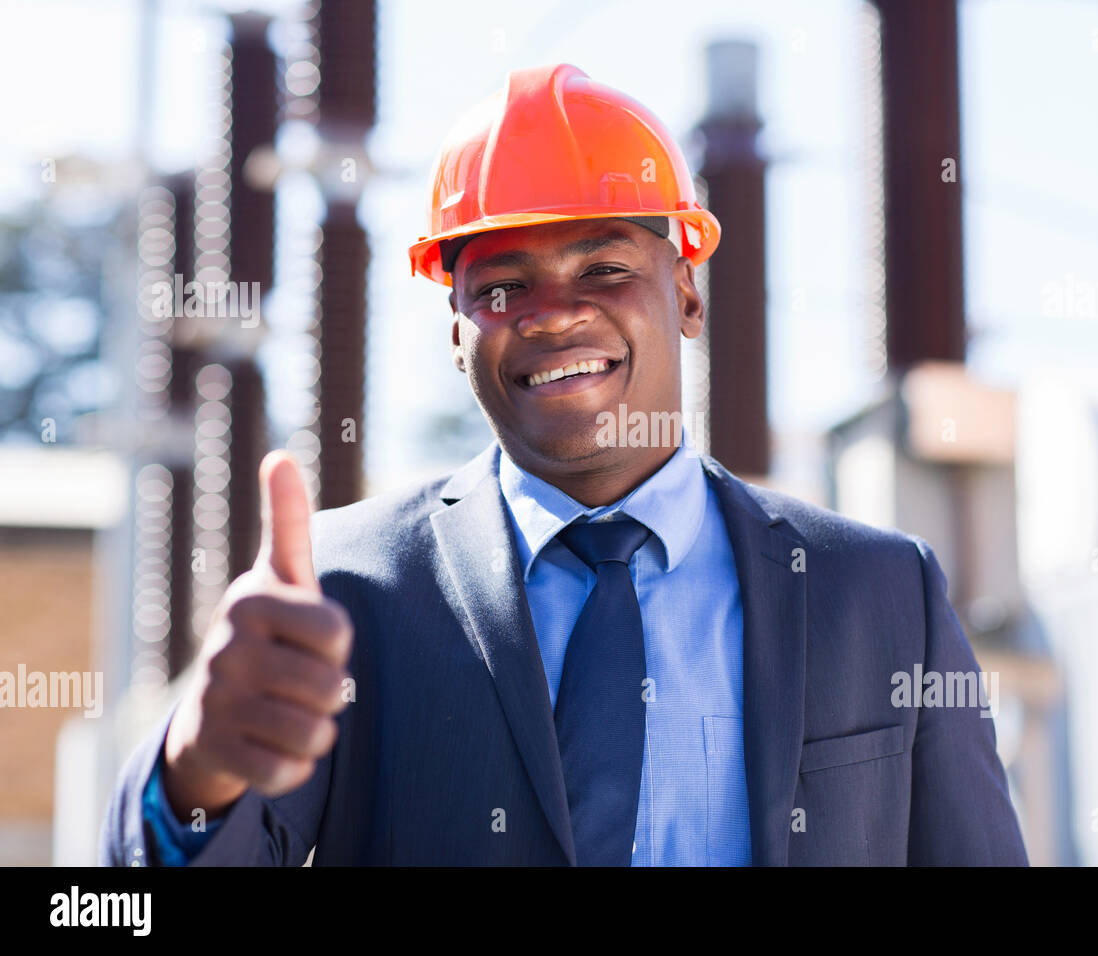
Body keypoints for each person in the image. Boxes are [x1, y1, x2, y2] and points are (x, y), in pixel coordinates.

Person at [100, 63, 1028, 866]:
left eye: (603, 269)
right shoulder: (348, 593)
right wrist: (199, 765)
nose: (551, 314)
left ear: (688, 292)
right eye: (502, 287)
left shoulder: (875, 592)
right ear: (456, 331)